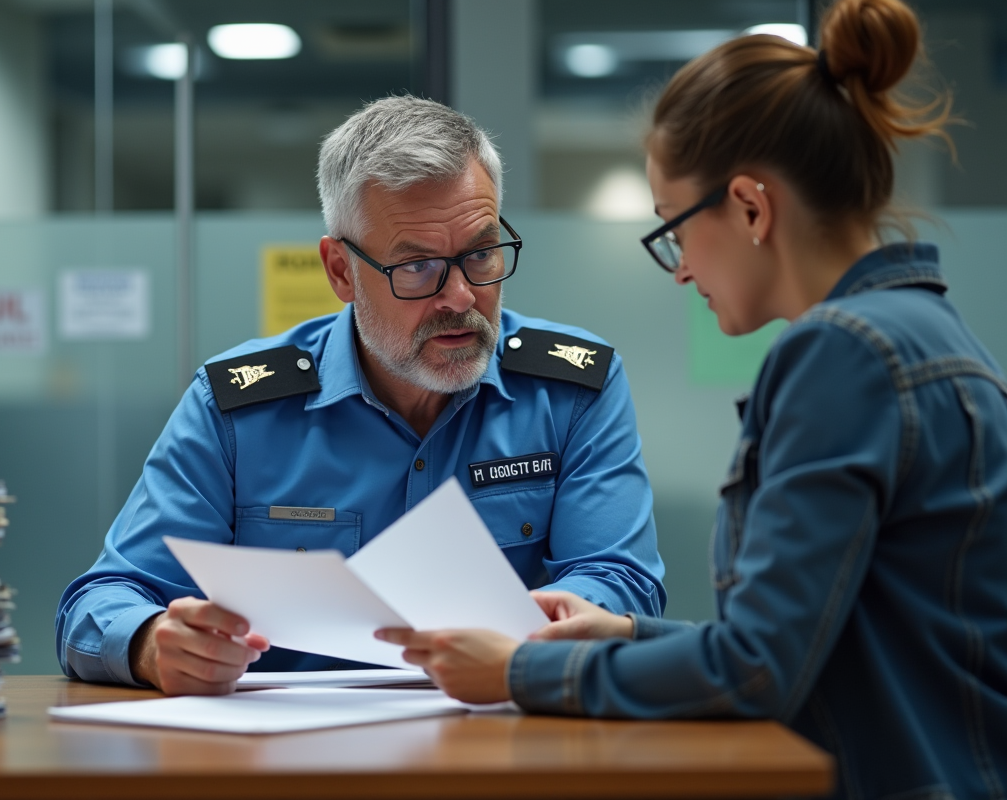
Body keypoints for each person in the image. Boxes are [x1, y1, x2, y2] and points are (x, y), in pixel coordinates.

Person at [376, 1, 1007, 797]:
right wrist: (629, 636)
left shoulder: (841, 353)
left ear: (750, 206)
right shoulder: (921, 330)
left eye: (673, 230)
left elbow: (756, 672)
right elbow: (826, 639)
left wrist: (521, 669)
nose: (677, 270)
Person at [55, 96, 666, 696]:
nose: (459, 296)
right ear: (341, 272)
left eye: (480, 253)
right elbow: (103, 599)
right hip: (297, 759)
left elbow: (619, 579)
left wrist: (547, 633)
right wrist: (150, 643)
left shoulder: (571, 389)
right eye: (418, 266)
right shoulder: (239, 410)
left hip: (503, 738)